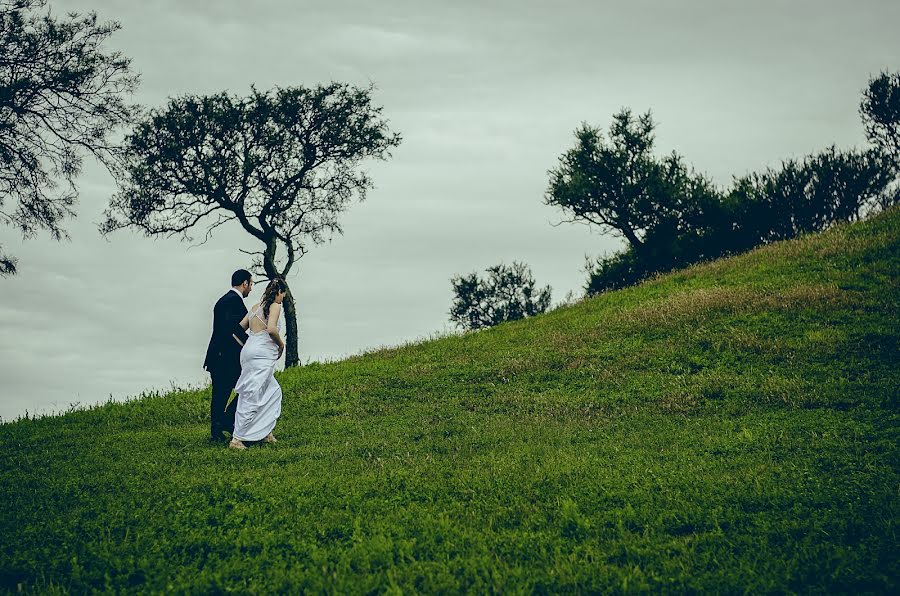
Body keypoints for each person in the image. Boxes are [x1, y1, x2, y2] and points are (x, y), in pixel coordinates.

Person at [229, 278, 287, 450]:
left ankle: (264, 432)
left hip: (248, 351)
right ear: (278, 293)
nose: (282, 299)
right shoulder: (275, 306)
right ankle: (237, 439)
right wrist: (281, 345)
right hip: (261, 353)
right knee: (252, 395)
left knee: (272, 391)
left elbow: (237, 331)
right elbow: (271, 329)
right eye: (283, 295)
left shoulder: (255, 308)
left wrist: (250, 346)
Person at [203, 269, 252, 442]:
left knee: (220, 395)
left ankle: (217, 430)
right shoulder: (233, 301)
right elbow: (234, 330)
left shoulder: (223, 300)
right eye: (251, 284)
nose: (251, 289)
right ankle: (225, 421)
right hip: (226, 358)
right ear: (245, 283)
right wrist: (252, 344)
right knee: (247, 388)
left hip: (218, 356)